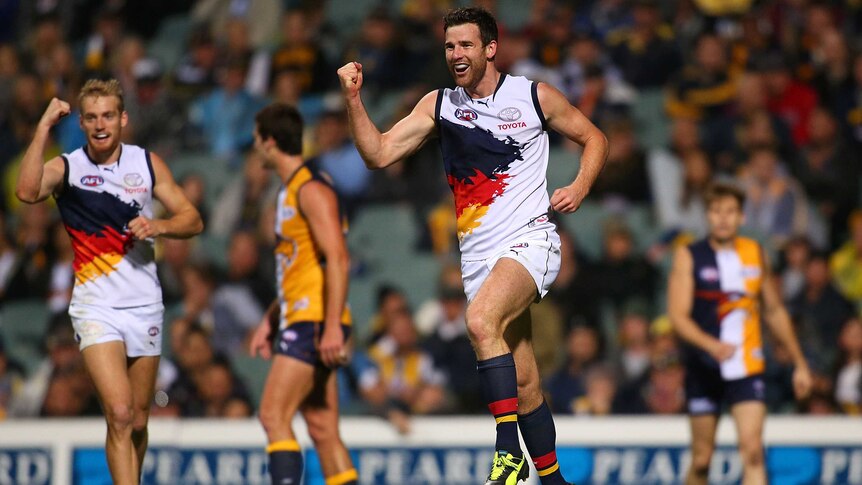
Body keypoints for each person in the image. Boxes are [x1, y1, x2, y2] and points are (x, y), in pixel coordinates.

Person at [338, 7, 608, 485]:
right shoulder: (439, 104)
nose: (456, 55)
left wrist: (580, 187)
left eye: (465, 45)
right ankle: (553, 480)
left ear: (490, 48)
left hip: (530, 241)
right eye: (449, 46)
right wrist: (354, 99)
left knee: (481, 322)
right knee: (524, 385)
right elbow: (378, 154)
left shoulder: (532, 95)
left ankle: (508, 452)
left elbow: (595, 138)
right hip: (479, 257)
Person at [14, 79, 203, 484]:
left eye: (108, 116)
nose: (101, 125)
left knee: (137, 419)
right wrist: (43, 127)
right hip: (95, 307)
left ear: (123, 118)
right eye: (92, 117)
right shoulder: (68, 168)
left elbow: (193, 219)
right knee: (118, 413)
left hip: (144, 304)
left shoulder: (147, 164)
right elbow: (27, 191)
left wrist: (159, 225)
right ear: (81, 123)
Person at [667, 182, 812, 485]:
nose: (723, 218)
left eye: (730, 212)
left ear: (741, 217)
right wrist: (711, 345)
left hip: (747, 367)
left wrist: (800, 362)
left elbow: (773, 310)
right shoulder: (690, 256)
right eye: (717, 211)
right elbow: (678, 317)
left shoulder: (755, 254)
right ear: (707, 215)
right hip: (704, 367)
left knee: (754, 453)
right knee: (702, 459)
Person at [248, 103, 357, 485]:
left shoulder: (311, 188)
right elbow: (301, 268)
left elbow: (338, 258)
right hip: (303, 316)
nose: (255, 148)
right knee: (323, 429)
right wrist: (271, 318)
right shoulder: (292, 189)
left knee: (273, 416)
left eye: (257, 140)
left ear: (270, 142)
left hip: (314, 321)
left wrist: (330, 327)